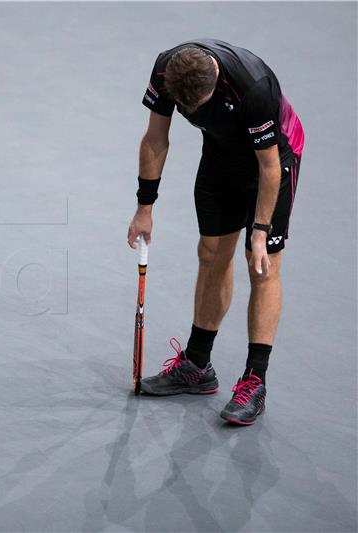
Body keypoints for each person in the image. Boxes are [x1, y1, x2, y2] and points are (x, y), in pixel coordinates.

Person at [127, 39, 304, 425]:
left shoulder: (253, 87)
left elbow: (270, 168)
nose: (192, 113)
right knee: (210, 253)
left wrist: (259, 231)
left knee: (262, 266)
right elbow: (156, 139)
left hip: (273, 162)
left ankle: (255, 379)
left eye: (199, 106)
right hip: (221, 158)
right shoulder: (165, 69)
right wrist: (145, 207)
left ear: (217, 80)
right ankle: (197, 365)